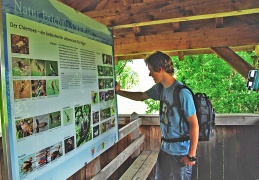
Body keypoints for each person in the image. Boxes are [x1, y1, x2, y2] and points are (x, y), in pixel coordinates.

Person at [115, 51, 199, 180]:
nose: (149, 75)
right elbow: (141, 96)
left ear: (159, 69)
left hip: (181, 152)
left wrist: (191, 155)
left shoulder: (182, 92)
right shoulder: (160, 89)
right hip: (165, 149)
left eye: (151, 71)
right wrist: (118, 92)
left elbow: (194, 124)